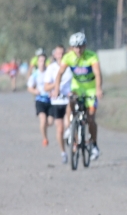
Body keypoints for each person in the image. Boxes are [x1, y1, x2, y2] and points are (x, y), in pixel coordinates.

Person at [52, 32, 103, 160]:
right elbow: (59, 74)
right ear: (72, 47)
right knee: (71, 99)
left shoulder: (92, 56)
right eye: (75, 47)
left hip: (90, 89)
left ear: (85, 46)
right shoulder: (68, 57)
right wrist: (56, 89)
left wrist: (98, 89)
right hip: (77, 87)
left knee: (90, 119)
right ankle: (70, 126)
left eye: (80, 46)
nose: (78, 50)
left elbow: (97, 74)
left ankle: (94, 145)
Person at [45, 45, 70, 163]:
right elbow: (46, 87)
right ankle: (63, 152)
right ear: (54, 55)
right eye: (58, 53)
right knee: (60, 129)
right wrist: (56, 87)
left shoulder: (70, 66)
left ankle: (74, 144)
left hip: (69, 100)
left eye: (62, 53)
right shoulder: (51, 68)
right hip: (57, 102)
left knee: (69, 124)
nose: (60, 55)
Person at [27, 52, 51, 146]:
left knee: (50, 122)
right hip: (40, 100)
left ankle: (44, 127)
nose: (42, 63)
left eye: (44, 61)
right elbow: (29, 87)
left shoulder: (49, 73)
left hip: (50, 100)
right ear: (37, 62)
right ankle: (45, 138)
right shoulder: (35, 74)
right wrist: (34, 91)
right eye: (40, 61)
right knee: (43, 119)